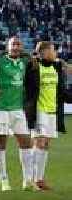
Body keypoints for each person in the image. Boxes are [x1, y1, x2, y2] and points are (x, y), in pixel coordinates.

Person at [24, 42, 72, 191]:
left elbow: (61, 89)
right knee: (39, 142)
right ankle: (29, 180)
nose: (56, 53)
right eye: (53, 50)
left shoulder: (55, 67)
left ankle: (39, 179)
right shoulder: (34, 67)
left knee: (45, 145)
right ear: (44, 52)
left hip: (53, 111)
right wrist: (33, 57)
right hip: (39, 110)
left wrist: (62, 63)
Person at [0, 37, 35, 191]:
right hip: (1, 108)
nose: (16, 47)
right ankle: (4, 182)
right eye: (13, 44)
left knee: (26, 143)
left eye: (18, 44)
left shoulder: (24, 61)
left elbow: (34, 58)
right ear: (7, 47)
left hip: (17, 109)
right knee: (1, 143)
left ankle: (27, 181)